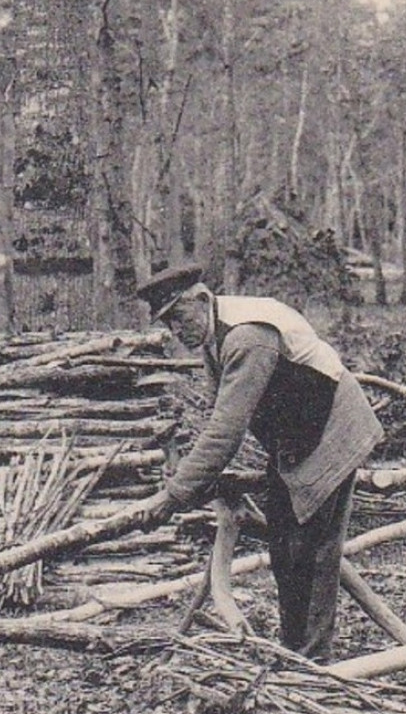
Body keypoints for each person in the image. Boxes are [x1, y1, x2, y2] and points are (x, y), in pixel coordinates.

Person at [136, 265, 384, 659]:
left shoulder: (247, 337)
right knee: (284, 544)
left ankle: (314, 658)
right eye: (168, 326)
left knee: (313, 548)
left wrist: (173, 495)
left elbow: (226, 431)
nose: (176, 334)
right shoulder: (214, 340)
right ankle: (295, 649)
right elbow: (223, 413)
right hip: (296, 438)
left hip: (334, 427)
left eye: (179, 319)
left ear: (202, 300)